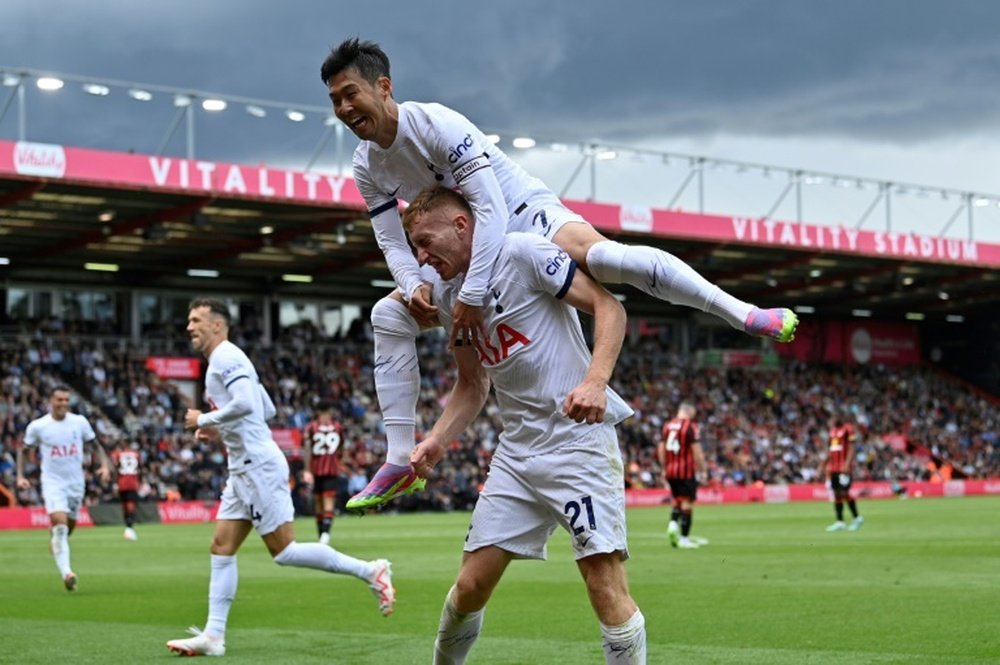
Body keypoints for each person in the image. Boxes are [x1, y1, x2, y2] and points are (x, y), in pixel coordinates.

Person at [319, 37, 800, 511]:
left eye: (350, 94)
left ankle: (744, 313)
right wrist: (413, 285)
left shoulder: (438, 125)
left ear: (383, 87)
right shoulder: (367, 166)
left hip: (523, 214)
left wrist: (473, 294)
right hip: (463, 242)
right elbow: (389, 239)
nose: (343, 108)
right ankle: (399, 459)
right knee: (389, 315)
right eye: (334, 99)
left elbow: (490, 208)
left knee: (609, 261)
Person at [404, 187, 646, 664]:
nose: (421, 256)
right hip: (516, 455)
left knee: (603, 585)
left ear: (462, 226)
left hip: (578, 446)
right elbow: (472, 384)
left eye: (426, 242)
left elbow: (610, 307)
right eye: (414, 247)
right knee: (470, 585)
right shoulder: (454, 297)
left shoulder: (523, 252)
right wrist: (435, 439)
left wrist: (596, 382)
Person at [166, 298, 395, 658]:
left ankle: (370, 570)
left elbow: (244, 404)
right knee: (221, 548)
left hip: (257, 465)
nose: (189, 326)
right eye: (189, 320)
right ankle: (213, 634)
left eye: (196, 320)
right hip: (242, 467)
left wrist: (205, 421)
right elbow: (265, 408)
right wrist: (221, 430)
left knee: (284, 551)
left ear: (217, 325)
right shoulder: (226, 361)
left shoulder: (226, 357)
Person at [16, 385, 112, 591]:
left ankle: (57, 540)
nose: (63, 404)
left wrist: (104, 465)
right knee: (60, 525)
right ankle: (67, 573)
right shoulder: (38, 426)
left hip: (76, 483)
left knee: (68, 527)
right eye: (59, 400)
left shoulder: (79, 422)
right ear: (51, 401)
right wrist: (20, 476)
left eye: (66, 400)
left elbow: (96, 445)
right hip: (53, 483)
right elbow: (23, 450)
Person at [656, 402, 707, 549]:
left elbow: (661, 448)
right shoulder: (690, 426)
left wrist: (663, 467)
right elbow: (697, 452)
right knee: (687, 502)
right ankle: (684, 539)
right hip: (686, 471)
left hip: (671, 470)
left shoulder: (667, 425)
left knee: (678, 500)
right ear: (689, 412)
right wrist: (703, 470)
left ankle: (673, 523)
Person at [301, 401, 346, 545]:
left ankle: (323, 534)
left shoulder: (311, 427)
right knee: (327, 502)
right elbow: (340, 449)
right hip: (331, 469)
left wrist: (307, 469)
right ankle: (324, 535)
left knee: (319, 503)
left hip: (316, 470)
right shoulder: (338, 427)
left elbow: (307, 449)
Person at [822, 415, 863, 532]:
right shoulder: (832, 432)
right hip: (834, 468)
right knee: (836, 494)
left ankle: (857, 518)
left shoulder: (848, 429)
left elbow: (852, 448)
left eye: (834, 418)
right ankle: (840, 522)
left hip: (844, 468)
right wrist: (824, 465)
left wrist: (847, 464)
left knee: (844, 492)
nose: (833, 420)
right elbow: (831, 450)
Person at [110, 440, 142, 540]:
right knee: (131, 505)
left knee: (125, 505)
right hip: (132, 481)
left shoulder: (118, 454)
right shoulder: (136, 454)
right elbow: (139, 468)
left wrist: (115, 484)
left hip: (122, 481)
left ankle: (128, 528)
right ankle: (129, 528)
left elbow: (115, 468)